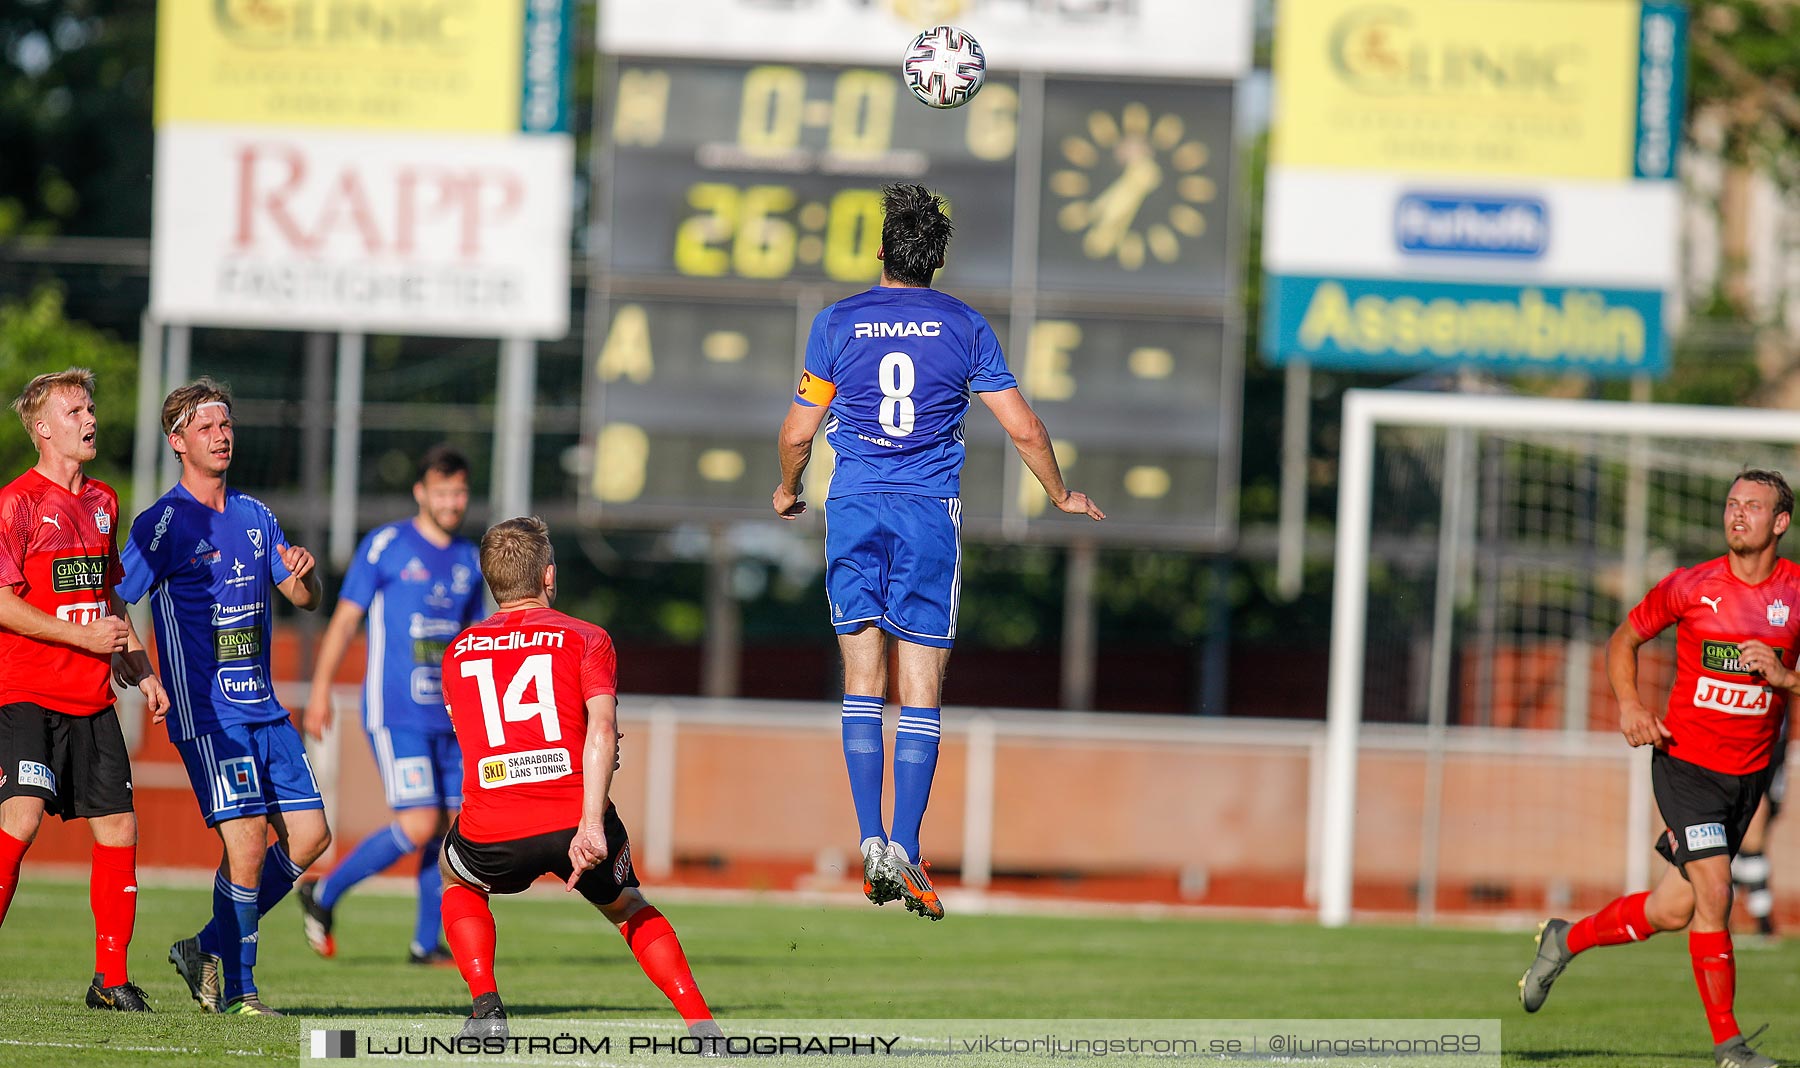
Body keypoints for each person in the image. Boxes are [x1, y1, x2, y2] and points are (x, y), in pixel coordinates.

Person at [773, 182, 1104, 921]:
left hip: (855, 508)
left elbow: (798, 432)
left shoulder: (837, 323)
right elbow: (1023, 428)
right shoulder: (965, 326)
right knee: (918, 680)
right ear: (939, 260)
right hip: (928, 516)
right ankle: (905, 844)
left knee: (862, 673)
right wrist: (1059, 493)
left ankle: (866, 838)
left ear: (883, 250)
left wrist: (786, 489)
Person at [1518, 470, 1797, 1068]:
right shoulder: (1691, 586)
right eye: (1731, 504)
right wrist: (1630, 705)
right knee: (1717, 894)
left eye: (1753, 506)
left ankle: (1564, 939)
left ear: (1781, 523)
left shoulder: (1798, 593)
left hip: (1748, 775)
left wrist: (1785, 678)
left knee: (1676, 909)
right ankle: (1730, 1047)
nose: (1737, 514)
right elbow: (1623, 640)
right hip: (1686, 766)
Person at [437, 516, 722, 1046]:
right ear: (548, 576)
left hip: (493, 826)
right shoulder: (587, 637)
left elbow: (477, 740)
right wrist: (591, 823)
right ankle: (701, 1024)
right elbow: (603, 727)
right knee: (628, 906)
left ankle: (486, 1004)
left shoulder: (457, 651)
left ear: (491, 582)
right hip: (575, 818)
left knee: (456, 879)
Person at [117, 377, 330, 1016]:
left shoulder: (257, 515)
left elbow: (302, 599)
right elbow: (111, 593)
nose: (221, 434)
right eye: (207, 426)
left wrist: (305, 576)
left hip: (265, 709)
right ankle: (240, 990)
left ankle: (204, 946)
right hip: (209, 717)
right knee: (243, 844)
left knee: (312, 837)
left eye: (226, 423)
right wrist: (140, 665)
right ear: (178, 441)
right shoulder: (162, 523)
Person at [0, 369, 168, 1011]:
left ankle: (111, 980)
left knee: (120, 827)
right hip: (26, 692)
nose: (89, 418)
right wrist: (84, 642)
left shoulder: (102, 501)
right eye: (74, 410)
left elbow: (104, 602)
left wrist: (139, 666)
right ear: (43, 428)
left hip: (91, 697)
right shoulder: (16, 502)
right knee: (24, 814)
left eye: (91, 407)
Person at [297, 445, 483, 964]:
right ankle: (324, 893)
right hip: (396, 711)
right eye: (442, 491)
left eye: (460, 491)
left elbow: (472, 641)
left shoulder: (469, 559)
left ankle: (427, 942)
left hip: (449, 717)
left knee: (450, 827)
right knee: (421, 822)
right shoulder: (386, 546)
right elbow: (344, 620)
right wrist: (319, 689)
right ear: (421, 492)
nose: (452, 501)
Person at [1731, 727, 1786, 942]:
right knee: (1750, 839)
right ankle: (1763, 921)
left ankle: (1721, 913)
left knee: (1750, 840)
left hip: (1774, 745)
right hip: (1747, 739)